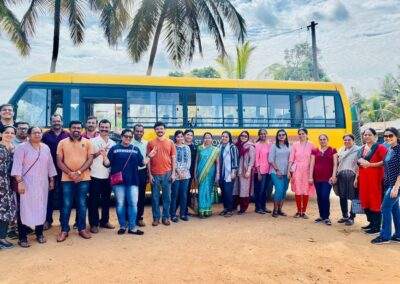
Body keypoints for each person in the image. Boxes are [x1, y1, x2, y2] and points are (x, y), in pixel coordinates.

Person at [11, 127, 57, 247]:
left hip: (42, 184)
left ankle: (39, 233)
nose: (37, 134)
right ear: (29, 135)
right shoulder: (21, 148)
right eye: (34, 133)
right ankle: (22, 237)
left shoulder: (45, 148)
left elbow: (50, 165)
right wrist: (19, 182)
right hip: (26, 183)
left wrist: (52, 180)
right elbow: (17, 166)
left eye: (39, 132)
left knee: (41, 208)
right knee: (24, 209)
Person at [104, 129, 154, 235]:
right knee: (120, 204)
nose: (128, 138)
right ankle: (122, 226)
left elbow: (142, 163)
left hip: (133, 182)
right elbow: (107, 164)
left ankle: (132, 227)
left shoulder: (135, 149)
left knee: (133, 204)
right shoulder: (114, 149)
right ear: (121, 137)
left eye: (130, 137)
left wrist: (149, 156)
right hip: (119, 182)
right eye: (126, 136)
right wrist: (103, 156)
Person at [56, 121, 94, 242]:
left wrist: (78, 173)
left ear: (81, 129)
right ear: (69, 129)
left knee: (82, 204)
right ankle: (64, 230)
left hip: (84, 179)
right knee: (66, 204)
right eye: (74, 127)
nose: (76, 130)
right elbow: (59, 161)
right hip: (67, 179)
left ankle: (82, 228)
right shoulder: (62, 142)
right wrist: (70, 173)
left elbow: (90, 159)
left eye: (78, 127)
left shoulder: (87, 142)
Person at [371, 127, 400, 244]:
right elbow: (384, 162)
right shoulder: (390, 149)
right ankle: (398, 235)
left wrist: (396, 187)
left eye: (390, 136)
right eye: (386, 136)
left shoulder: (399, 150)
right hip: (389, 184)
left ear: (397, 137)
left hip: (396, 185)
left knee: (385, 207)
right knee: (394, 209)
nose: (388, 138)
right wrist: (370, 164)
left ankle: (385, 235)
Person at [42, 114, 69, 230]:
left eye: (58, 121)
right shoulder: (46, 135)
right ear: (51, 122)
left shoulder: (67, 134)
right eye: (54, 121)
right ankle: (47, 220)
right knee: (48, 197)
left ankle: (63, 222)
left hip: (64, 170)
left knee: (64, 197)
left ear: (62, 122)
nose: (56, 123)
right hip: (48, 170)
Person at [357, 128, 387, 234]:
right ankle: (371, 223)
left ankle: (376, 227)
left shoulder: (380, 147)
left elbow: (385, 161)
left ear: (374, 136)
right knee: (366, 200)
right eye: (365, 135)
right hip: (364, 179)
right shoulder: (361, 148)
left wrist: (371, 165)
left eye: (369, 135)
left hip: (375, 179)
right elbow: (359, 164)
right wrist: (357, 177)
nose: (367, 136)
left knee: (375, 201)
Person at [88, 119, 116, 233]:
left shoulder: (113, 143)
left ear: (110, 128)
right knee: (93, 201)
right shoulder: (92, 141)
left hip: (108, 176)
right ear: (98, 128)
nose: (104, 129)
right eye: (102, 127)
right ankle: (94, 224)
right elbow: (88, 158)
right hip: (94, 175)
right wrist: (99, 153)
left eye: (106, 127)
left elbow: (113, 160)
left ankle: (105, 221)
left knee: (106, 200)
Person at [147, 121, 176, 226]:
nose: (160, 130)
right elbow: (148, 160)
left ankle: (166, 217)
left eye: (161, 128)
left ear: (164, 130)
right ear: (155, 130)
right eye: (158, 129)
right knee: (155, 198)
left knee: (167, 197)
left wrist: (173, 173)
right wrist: (149, 175)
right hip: (154, 174)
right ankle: (156, 218)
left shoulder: (170, 142)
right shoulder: (150, 143)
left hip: (167, 174)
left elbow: (173, 159)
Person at [309, 134, 338, 226]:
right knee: (319, 197)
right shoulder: (314, 150)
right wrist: (310, 177)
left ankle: (326, 217)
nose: (322, 141)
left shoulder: (333, 150)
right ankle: (321, 215)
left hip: (327, 178)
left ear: (327, 140)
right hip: (317, 177)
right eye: (320, 139)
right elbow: (312, 165)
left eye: (324, 139)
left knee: (325, 196)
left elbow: (335, 164)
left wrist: (333, 176)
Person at [288, 128, 315, 219]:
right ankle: (298, 211)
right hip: (297, 170)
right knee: (298, 190)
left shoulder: (311, 145)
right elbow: (291, 159)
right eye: (299, 134)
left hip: (307, 170)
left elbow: (313, 160)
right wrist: (289, 171)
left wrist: (312, 174)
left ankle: (304, 212)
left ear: (307, 134)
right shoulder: (295, 145)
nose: (301, 135)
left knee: (306, 190)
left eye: (303, 133)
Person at [336, 134, 359, 226]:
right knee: (342, 196)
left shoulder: (358, 150)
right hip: (341, 175)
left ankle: (352, 217)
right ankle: (345, 215)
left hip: (352, 176)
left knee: (353, 197)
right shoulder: (341, 150)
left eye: (349, 140)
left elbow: (359, 166)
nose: (347, 141)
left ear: (353, 141)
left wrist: (357, 178)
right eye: (345, 140)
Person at [195, 132, 219, 218]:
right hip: (201, 173)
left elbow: (217, 163)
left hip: (211, 173)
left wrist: (217, 174)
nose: (207, 139)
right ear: (203, 139)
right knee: (201, 191)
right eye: (205, 137)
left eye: (209, 137)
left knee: (208, 191)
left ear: (212, 139)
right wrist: (195, 173)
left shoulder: (215, 150)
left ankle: (208, 210)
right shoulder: (200, 148)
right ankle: (201, 210)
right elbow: (196, 161)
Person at [0, 126, 17, 249]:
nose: (9, 135)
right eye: (7, 132)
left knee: (6, 211)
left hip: (7, 185)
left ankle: (2, 237)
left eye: (12, 133)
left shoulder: (12, 149)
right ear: (1, 133)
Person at [170, 130, 191, 222]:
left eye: (181, 136)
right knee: (175, 195)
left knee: (184, 195)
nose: (180, 138)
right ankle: (173, 215)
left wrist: (184, 171)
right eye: (178, 136)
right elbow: (172, 161)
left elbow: (189, 161)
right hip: (175, 175)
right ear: (175, 138)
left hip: (186, 175)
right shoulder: (173, 147)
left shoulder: (187, 147)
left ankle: (183, 214)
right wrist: (178, 172)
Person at [269, 129, 290, 218]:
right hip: (276, 172)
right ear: (277, 137)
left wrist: (289, 171)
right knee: (279, 190)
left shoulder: (289, 146)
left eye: (283, 135)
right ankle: (275, 210)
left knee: (284, 191)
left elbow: (291, 160)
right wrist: (277, 170)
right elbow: (270, 159)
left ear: (285, 136)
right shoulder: (274, 146)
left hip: (286, 172)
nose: (281, 136)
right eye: (279, 135)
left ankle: (280, 210)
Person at [233, 130, 255, 214]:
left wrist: (248, 170)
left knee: (244, 189)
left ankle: (243, 208)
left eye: (245, 136)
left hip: (245, 170)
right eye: (242, 135)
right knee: (236, 189)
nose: (243, 137)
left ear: (248, 137)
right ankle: (235, 206)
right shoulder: (236, 146)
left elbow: (252, 160)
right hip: (237, 170)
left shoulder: (250, 147)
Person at [218, 131, 239, 217]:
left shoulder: (232, 147)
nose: (224, 138)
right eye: (223, 136)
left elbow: (235, 160)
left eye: (226, 137)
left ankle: (230, 210)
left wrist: (234, 172)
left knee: (228, 192)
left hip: (229, 173)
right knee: (223, 192)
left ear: (229, 138)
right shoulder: (219, 147)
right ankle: (226, 208)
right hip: (221, 173)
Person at [132, 124, 148, 227]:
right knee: (131, 196)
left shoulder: (146, 143)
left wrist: (148, 174)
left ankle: (139, 218)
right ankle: (130, 218)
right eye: (137, 131)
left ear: (143, 132)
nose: (139, 133)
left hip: (142, 171)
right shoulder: (129, 142)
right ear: (134, 132)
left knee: (141, 196)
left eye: (141, 131)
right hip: (131, 172)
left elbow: (148, 159)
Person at [254, 128, 272, 214]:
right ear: (259, 135)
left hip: (268, 171)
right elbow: (256, 159)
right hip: (260, 171)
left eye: (264, 134)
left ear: (266, 134)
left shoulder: (269, 144)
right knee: (260, 190)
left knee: (265, 190)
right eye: (261, 134)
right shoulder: (257, 145)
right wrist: (258, 172)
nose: (263, 135)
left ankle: (264, 207)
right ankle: (258, 208)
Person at [184, 129, 197, 216]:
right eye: (187, 134)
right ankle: (174, 211)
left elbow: (196, 161)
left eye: (191, 135)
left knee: (186, 191)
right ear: (184, 135)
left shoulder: (194, 147)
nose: (189, 137)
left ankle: (185, 210)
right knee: (178, 192)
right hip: (180, 173)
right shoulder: (179, 145)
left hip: (190, 172)